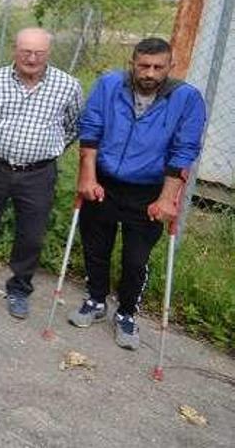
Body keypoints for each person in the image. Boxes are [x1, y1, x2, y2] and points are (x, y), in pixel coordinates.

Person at [68, 37, 206, 350]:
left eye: (158, 67)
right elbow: (91, 129)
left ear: (170, 67)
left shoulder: (187, 98)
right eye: (144, 65)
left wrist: (167, 198)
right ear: (133, 64)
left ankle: (127, 312)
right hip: (105, 181)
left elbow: (183, 150)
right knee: (95, 246)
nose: (150, 73)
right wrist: (87, 177)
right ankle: (96, 299)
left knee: (135, 259)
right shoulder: (109, 85)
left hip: (148, 190)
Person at [0, 28, 83, 320]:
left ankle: (20, 289)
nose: (32, 58)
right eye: (26, 51)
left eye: (39, 52)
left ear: (49, 53)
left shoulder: (68, 86)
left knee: (32, 234)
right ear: (15, 50)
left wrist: (48, 149)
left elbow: (74, 126)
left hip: (38, 173)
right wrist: (0, 143)